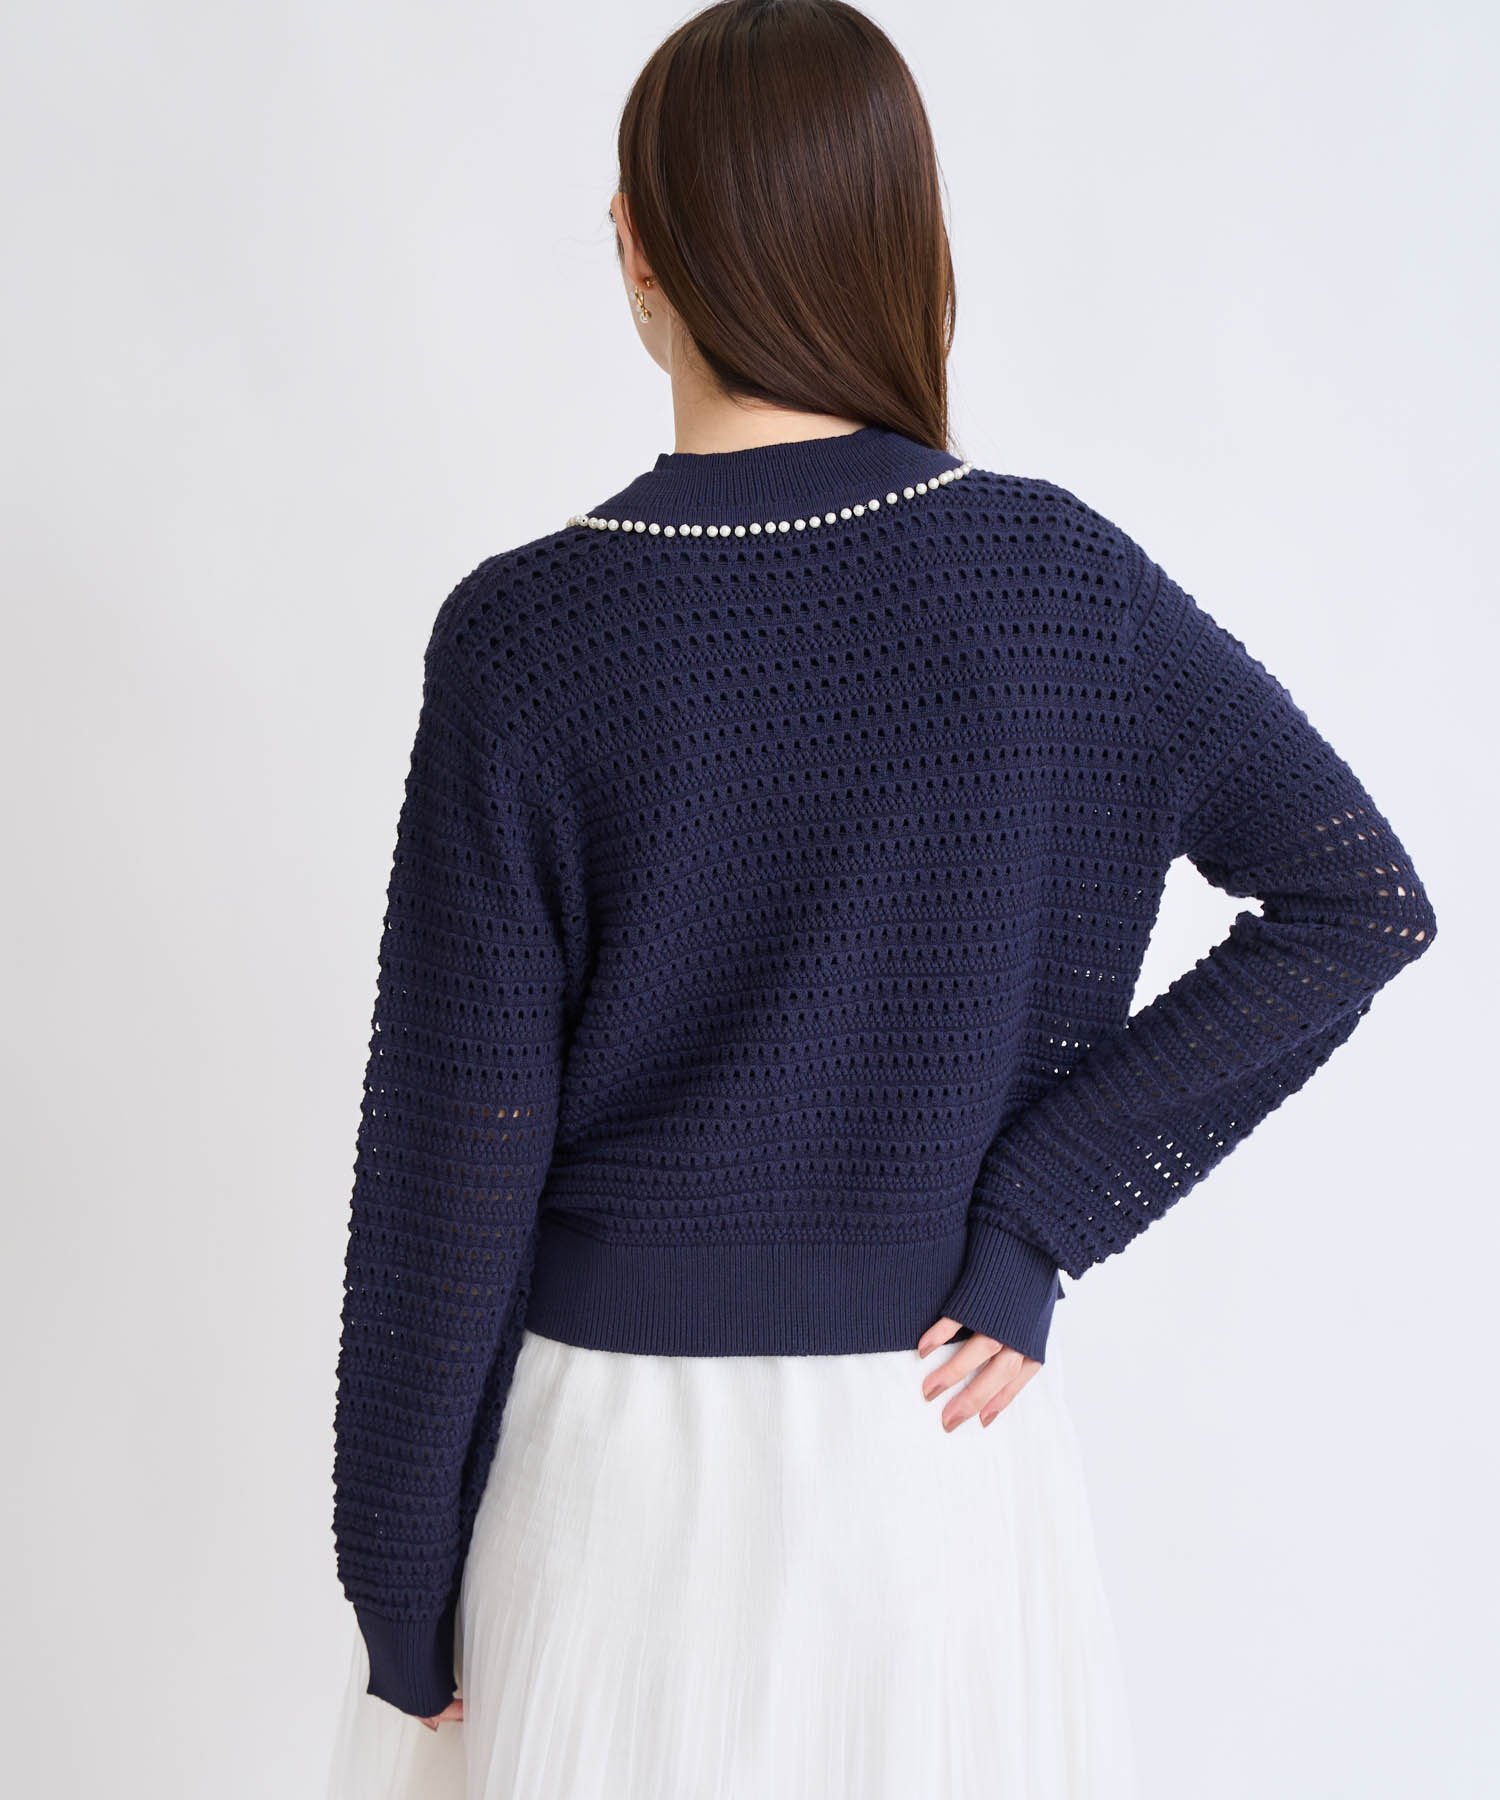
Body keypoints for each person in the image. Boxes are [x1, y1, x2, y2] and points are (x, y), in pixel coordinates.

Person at [323, 4, 1439, 1796]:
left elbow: (455, 1143)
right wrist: (1038, 1218)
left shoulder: (528, 635)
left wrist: (398, 1573)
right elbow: (1357, 901)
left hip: (613, 1481)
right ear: (905, 242)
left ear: (636, 243)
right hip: (936, 1460)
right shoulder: (1056, 579)